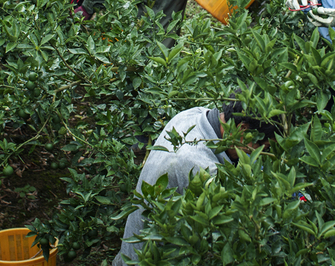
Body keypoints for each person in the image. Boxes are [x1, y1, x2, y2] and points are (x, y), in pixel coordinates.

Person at [112, 99, 279, 266]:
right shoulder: (201, 170)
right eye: (264, 148)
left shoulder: (195, 115)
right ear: (243, 129)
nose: (262, 154)